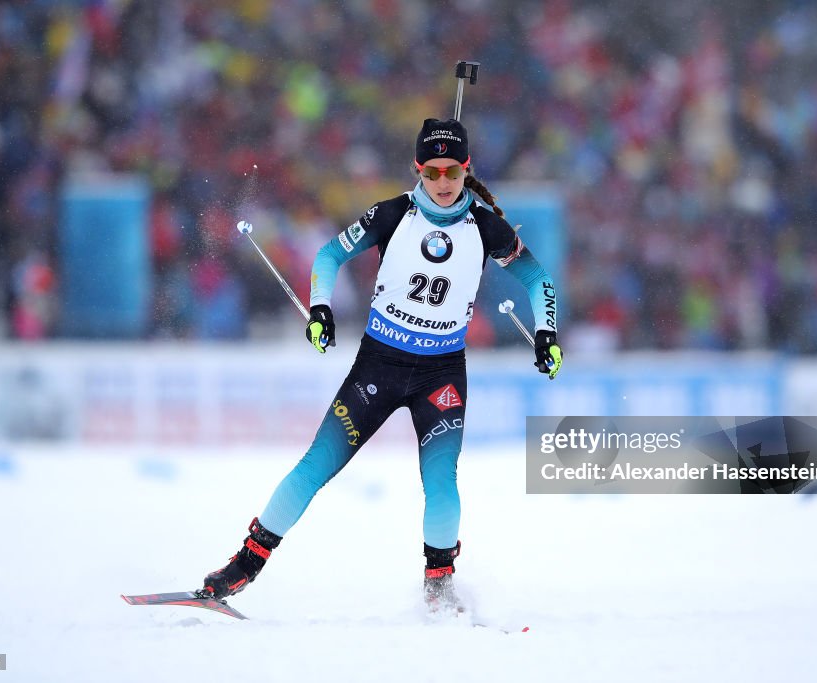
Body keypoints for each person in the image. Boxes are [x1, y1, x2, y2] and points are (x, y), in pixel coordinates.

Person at [200, 118, 563, 611]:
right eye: (432, 172)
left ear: (466, 168)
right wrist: (321, 307)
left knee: (441, 481)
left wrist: (546, 333)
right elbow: (328, 255)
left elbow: (537, 276)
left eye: (452, 171)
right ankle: (243, 567)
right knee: (315, 466)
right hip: (379, 366)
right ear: (417, 169)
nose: (442, 182)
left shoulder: (485, 227)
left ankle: (439, 588)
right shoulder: (391, 215)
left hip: (440, 375)